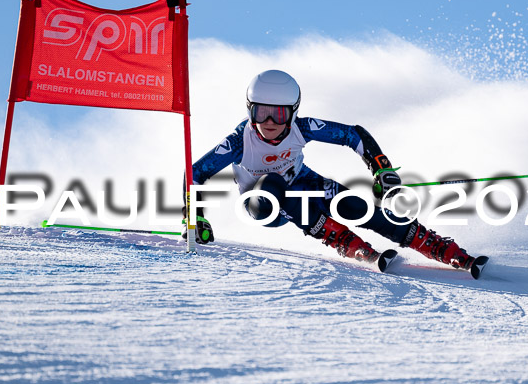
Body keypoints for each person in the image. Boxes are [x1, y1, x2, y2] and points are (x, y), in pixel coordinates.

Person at [185, 70, 484, 274]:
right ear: (249, 110)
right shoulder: (240, 141)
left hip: (304, 184)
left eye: (278, 113)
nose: (269, 121)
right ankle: (345, 242)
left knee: (357, 207)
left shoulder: (302, 128)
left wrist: (380, 168)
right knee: (274, 184)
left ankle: (438, 248)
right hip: (264, 204)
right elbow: (195, 173)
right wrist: (194, 217)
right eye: (260, 112)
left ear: (293, 112)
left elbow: (353, 135)